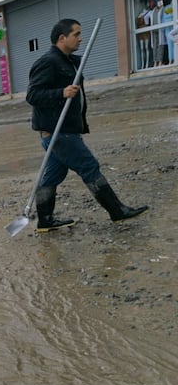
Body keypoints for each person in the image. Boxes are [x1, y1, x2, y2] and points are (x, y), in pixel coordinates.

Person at [26, 18, 148, 233]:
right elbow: (32, 95)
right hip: (58, 132)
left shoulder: (70, 61)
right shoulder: (48, 62)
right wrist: (61, 93)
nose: (80, 38)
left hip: (64, 130)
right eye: (76, 34)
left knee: (53, 175)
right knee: (89, 166)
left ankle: (45, 220)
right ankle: (117, 211)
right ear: (62, 38)